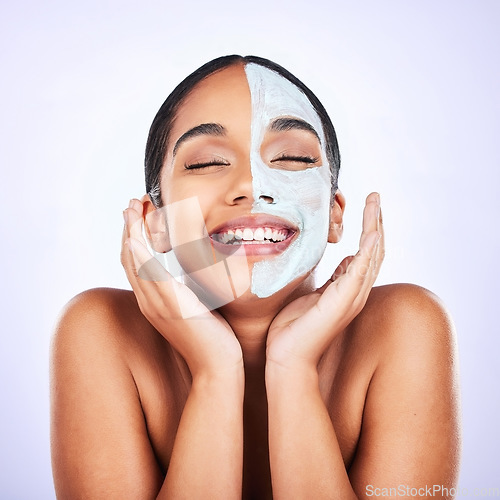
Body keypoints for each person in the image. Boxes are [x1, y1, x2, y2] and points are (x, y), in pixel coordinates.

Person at [50, 55, 461, 499]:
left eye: (291, 157)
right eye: (206, 163)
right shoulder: (101, 329)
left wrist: (294, 367)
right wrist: (215, 372)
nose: (252, 185)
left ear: (334, 215)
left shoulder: (405, 326)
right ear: (157, 223)